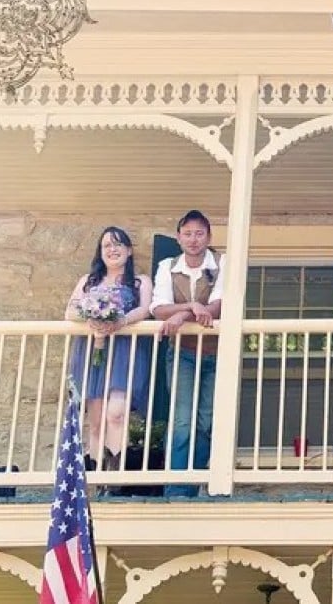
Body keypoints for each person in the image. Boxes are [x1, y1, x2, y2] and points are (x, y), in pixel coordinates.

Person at [150, 210, 225, 498]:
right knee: (182, 421)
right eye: (188, 233)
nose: (193, 239)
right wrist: (192, 307)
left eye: (199, 233)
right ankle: (176, 489)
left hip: (216, 354)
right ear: (179, 237)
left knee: (206, 422)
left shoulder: (221, 264)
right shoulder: (168, 266)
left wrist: (181, 315)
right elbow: (158, 309)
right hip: (182, 353)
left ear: (208, 237)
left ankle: (192, 486)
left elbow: (218, 306)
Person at [65, 227, 154, 469]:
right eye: (107, 246)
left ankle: (116, 474)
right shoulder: (88, 281)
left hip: (124, 353)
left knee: (116, 413)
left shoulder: (140, 282)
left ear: (129, 250)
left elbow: (145, 309)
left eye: (118, 244)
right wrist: (91, 318)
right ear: (100, 252)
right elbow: (69, 312)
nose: (112, 249)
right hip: (94, 350)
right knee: (95, 422)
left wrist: (120, 321)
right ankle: (96, 477)